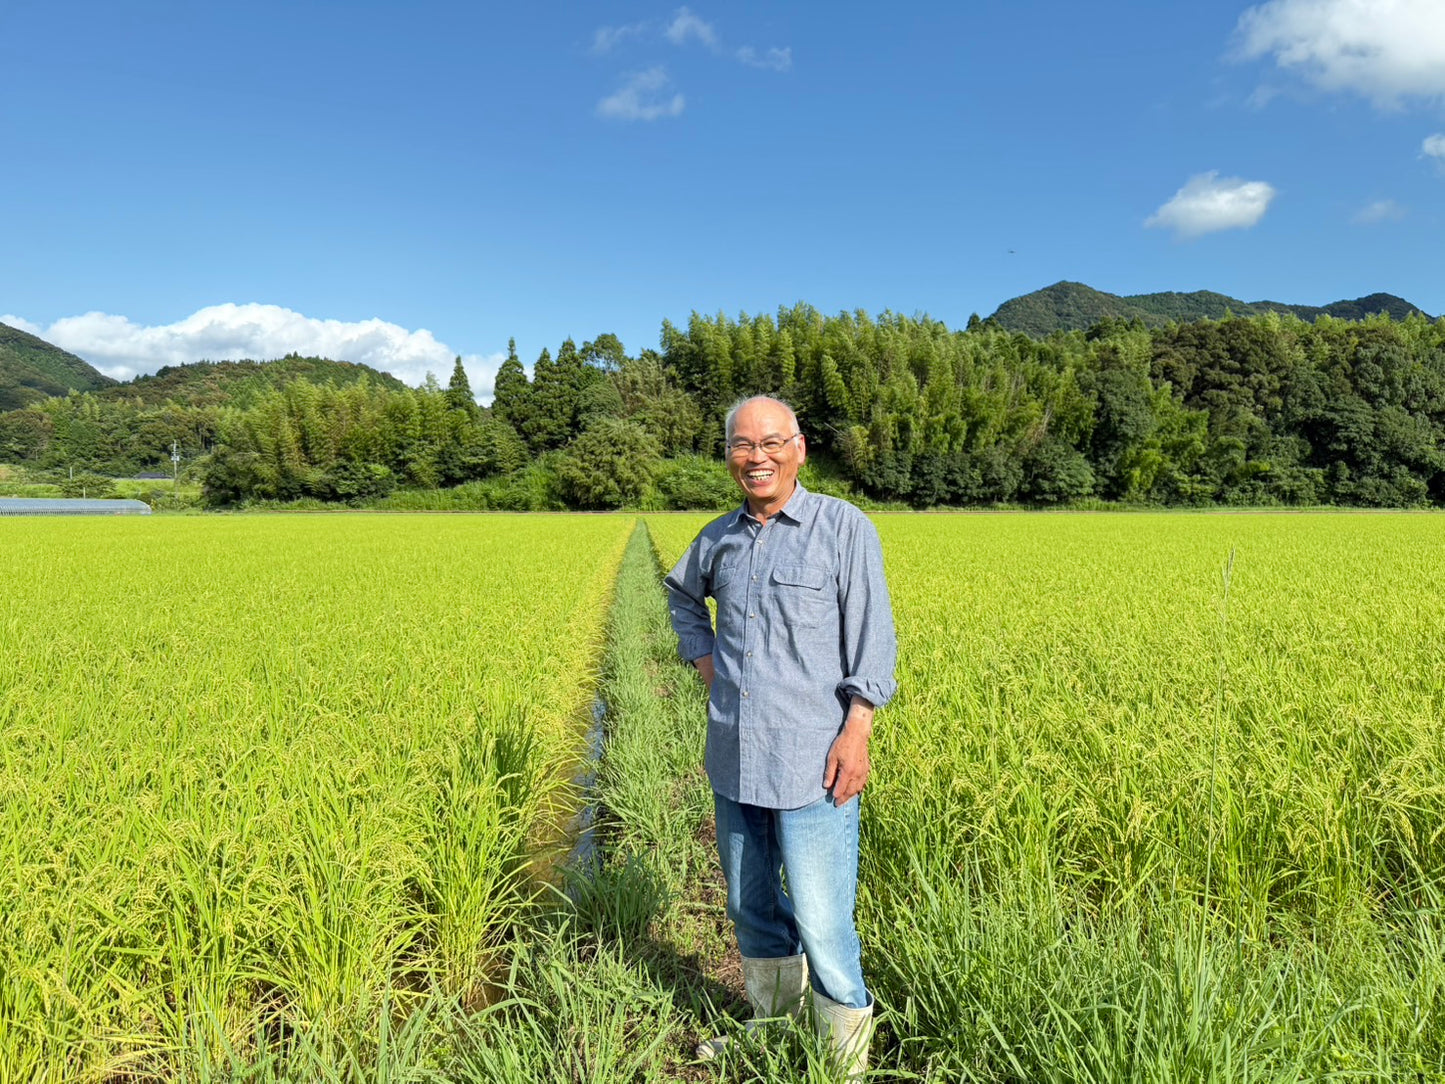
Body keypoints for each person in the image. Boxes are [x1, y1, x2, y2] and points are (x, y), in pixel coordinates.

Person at [663, 395, 897, 1080]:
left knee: (823, 920)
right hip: (734, 753)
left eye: (770, 442)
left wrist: (857, 727)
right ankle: (773, 1028)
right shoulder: (718, 538)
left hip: (813, 760)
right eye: (741, 444)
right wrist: (702, 657)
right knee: (749, 903)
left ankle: (841, 1063)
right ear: (728, 455)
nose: (755, 456)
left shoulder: (841, 528)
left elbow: (872, 637)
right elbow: (682, 595)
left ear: (799, 449)